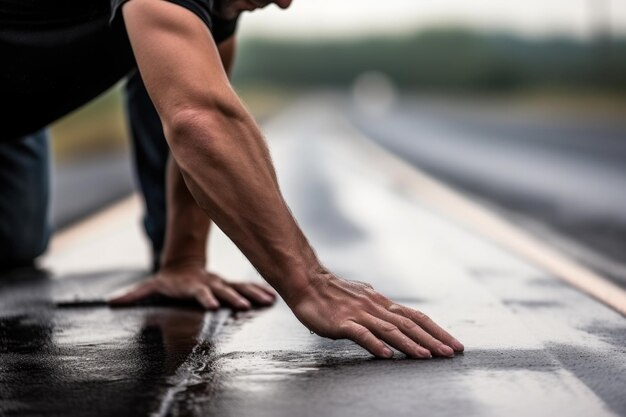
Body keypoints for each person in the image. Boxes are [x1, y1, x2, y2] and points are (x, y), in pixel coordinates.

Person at [0, 0, 464, 359]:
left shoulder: (212, 10)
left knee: (16, 241)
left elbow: (194, 114)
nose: (284, 4)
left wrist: (183, 262)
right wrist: (310, 284)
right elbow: (200, 121)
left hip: (21, 106)